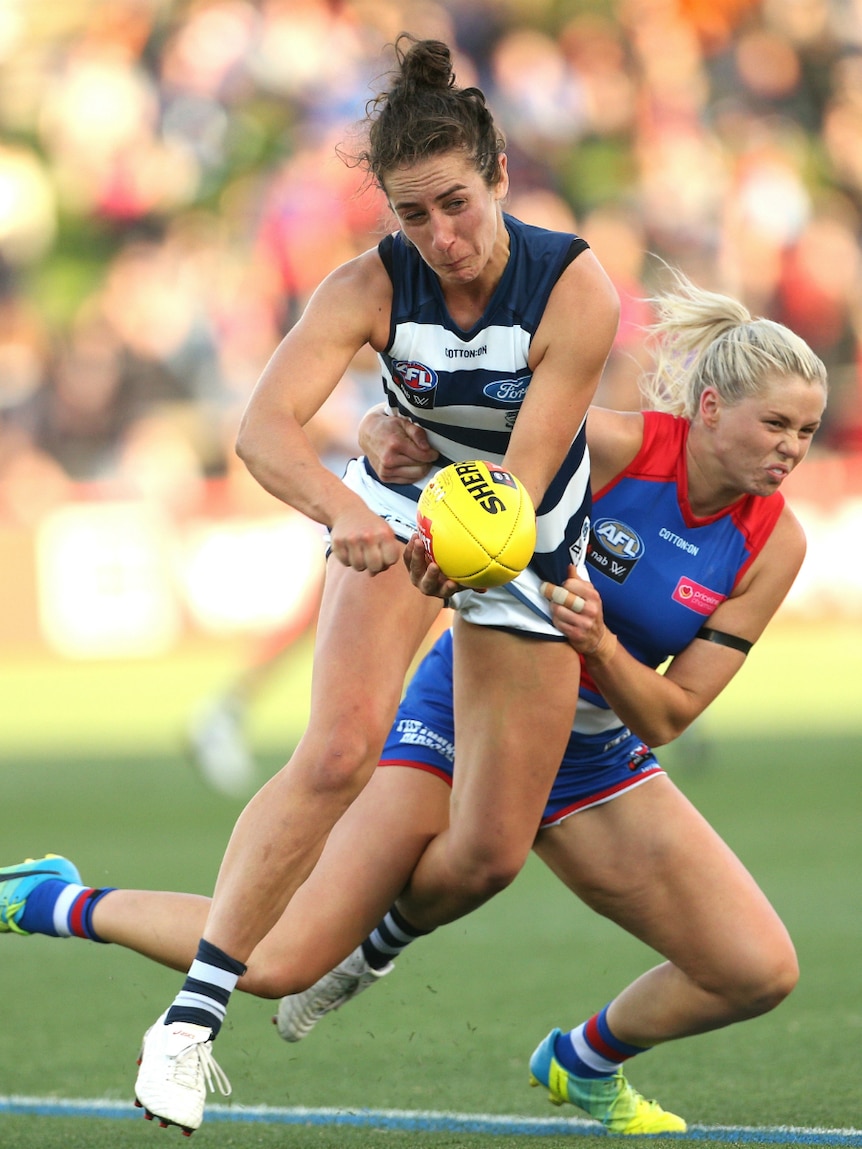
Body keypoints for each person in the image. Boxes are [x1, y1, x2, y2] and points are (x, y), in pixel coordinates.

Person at [0, 272, 827, 1134]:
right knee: (281, 958)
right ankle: (51, 900)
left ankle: (580, 1061)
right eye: (775, 424)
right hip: (464, 717)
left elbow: (670, 713)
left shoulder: (776, 542)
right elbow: (448, 449)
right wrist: (375, 430)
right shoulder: (613, 448)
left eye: (806, 430)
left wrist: (602, 646)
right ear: (706, 409)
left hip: (594, 752)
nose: (791, 449)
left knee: (758, 970)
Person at [130, 33, 619, 1133]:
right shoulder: (368, 284)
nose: (442, 238)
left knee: (489, 851)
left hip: (522, 531)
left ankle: (362, 955)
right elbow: (261, 429)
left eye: (455, 203)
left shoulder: (573, 285)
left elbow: (521, 483)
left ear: (498, 173)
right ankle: (188, 1025)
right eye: (413, 215)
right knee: (339, 749)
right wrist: (353, 509)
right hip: (406, 510)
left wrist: (429, 514)